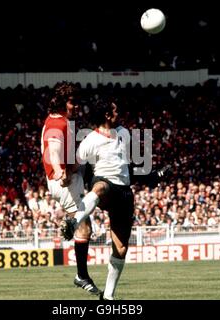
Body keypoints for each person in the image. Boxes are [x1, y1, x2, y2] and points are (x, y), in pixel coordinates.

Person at [70, 99, 170, 300]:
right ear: (107, 115)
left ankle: (107, 297)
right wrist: (72, 189)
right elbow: (74, 168)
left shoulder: (124, 133)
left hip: (124, 191)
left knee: (121, 248)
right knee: (100, 187)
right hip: (103, 185)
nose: (119, 112)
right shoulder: (89, 140)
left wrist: (150, 176)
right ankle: (74, 221)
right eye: (115, 110)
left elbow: (129, 166)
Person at [40, 81, 100, 295]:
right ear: (61, 102)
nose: (76, 106)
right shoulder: (59, 125)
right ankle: (81, 276)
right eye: (72, 102)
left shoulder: (61, 120)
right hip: (64, 182)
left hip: (70, 176)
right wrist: (59, 171)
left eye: (77, 102)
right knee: (84, 228)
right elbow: (54, 149)